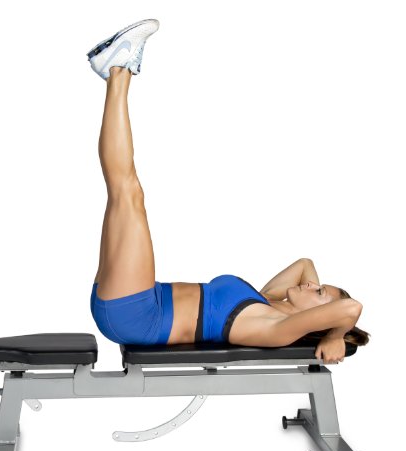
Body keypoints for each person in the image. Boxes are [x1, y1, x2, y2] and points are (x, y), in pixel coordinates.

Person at [86, 19, 370, 363]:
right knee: (124, 194)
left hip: (138, 314)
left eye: (320, 291)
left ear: (319, 318)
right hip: (139, 299)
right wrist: (319, 302)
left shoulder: (276, 328)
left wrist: (335, 334)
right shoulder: (269, 301)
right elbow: (304, 264)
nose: (312, 283)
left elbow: (351, 308)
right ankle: (116, 70)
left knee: (128, 193)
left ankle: (118, 70)